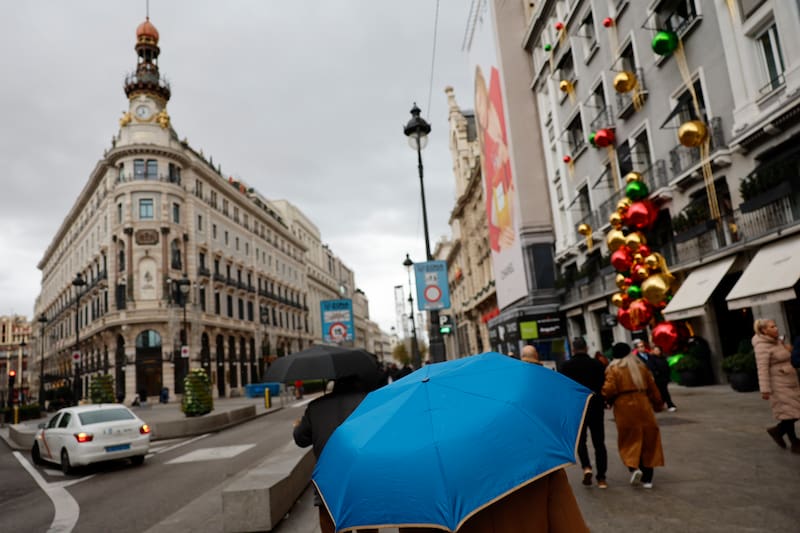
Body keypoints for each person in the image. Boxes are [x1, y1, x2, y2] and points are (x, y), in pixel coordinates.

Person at [293, 375, 374, 533]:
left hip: (327, 482)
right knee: (367, 526)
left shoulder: (315, 407)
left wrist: (298, 425)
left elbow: (300, 439)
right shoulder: (368, 403)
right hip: (363, 479)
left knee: (330, 525)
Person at [602, 342, 665, 489]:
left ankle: (634, 467)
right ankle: (648, 478)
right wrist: (658, 404)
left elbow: (608, 390)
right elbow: (653, 388)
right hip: (643, 405)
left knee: (629, 439)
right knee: (649, 439)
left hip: (624, 407)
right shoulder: (641, 367)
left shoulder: (613, 369)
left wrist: (606, 400)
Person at [560, 337, 608, 489]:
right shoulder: (597, 364)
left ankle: (586, 467)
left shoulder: (566, 366)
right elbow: (603, 384)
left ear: (573, 349)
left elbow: (564, 389)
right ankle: (601, 478)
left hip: (577, 408)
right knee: (599, 442)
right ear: (586, 348)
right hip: (596, 406)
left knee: (581, 441)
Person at [752, 318, 800, 454]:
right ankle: (794, 442)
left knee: (792, 412)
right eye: (772, 327)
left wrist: (789, 350)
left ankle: (778, 431)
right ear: (763, 330)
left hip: (790, 381)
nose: (776, 328)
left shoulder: (777, 341)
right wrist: (765, 390)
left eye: (775, 326)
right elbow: (762, 368)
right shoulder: (761, 346)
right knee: (789, 413)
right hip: (778, 384)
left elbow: (784, 357)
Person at [650, 346, 677, 412]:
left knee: (663, 392)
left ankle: (660, 405)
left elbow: (667, 367)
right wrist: (656, 373)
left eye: (658, 350)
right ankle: (670, 404)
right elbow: (652, 368)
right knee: (664, 392)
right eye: (655, 350)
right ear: (653, 351)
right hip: (658, 379)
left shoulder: (663, 358)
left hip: (664, 378)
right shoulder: (651, 359)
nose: (657, 351)